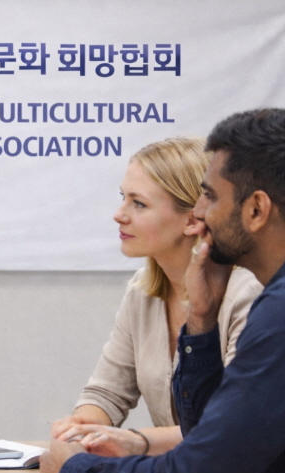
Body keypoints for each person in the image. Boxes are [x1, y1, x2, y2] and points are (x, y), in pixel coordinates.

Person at [39, 108, 285, 473]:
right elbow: (212, 435)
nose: (200, 214)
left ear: (257, 209)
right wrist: (202, 319)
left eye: (211, 197)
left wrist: (72, 469)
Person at [51, 138, 261, 457]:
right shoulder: (142, 291)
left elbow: (232, 426)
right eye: (123, 198)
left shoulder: (249, 292)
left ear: (193, 219)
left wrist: (134, 440)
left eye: (139, 204)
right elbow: (106, 394)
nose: (119, 215)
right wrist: (81, 426)